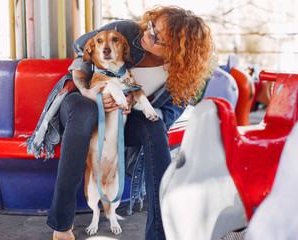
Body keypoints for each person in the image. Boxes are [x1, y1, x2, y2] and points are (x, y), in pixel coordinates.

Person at [27, 5, 216, 240]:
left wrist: (132, 101)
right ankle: (62, 225)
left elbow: (167, 115)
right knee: (84, 112)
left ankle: (159, 234)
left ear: (178, 51)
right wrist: (88, 91)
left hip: (125, 116)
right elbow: (81, 50)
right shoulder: (125, 30)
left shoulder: (185, 76)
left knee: (156, 128)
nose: (149, 34)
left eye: (159, 39)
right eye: (152, 26)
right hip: (81, 97)